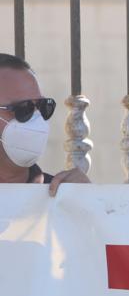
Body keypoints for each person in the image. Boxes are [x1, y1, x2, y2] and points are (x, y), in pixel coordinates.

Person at [0, 53, 90, 195]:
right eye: (24, 108)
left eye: (42, 106)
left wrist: (91, 205)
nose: (36, 120)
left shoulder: (62, 197)